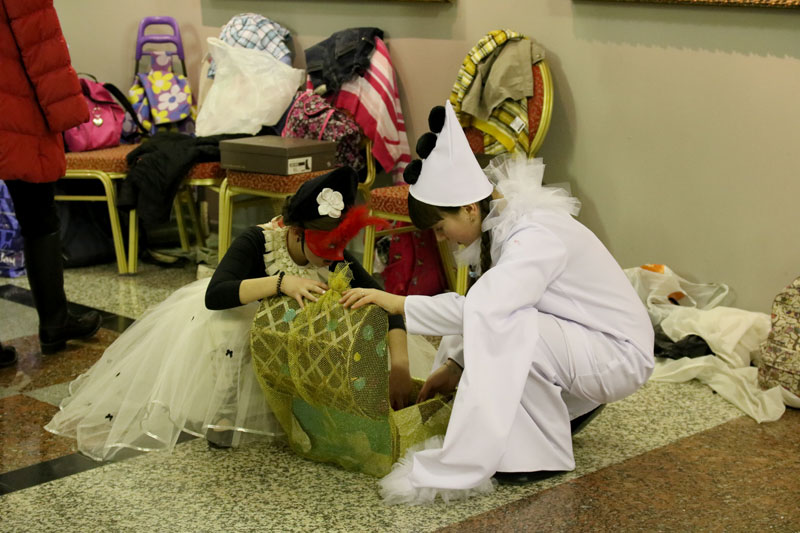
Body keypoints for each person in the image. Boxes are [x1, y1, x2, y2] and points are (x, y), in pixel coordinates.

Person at [340, 101, 655, 503]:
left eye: (441, 227)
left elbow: (487, 310)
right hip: (586, 341)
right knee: (494, 319)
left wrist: (398, 304)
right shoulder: (506, 225)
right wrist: (455, 365)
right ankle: (549, 416)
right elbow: (484, 302)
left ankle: (537, 454)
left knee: (510, 326)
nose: (441, 238)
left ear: (470, 209)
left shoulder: (533, 236)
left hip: (617, 355)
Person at [46, 167, 433, 460]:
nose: (329, 259)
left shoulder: (334, 257)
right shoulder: (258, 241)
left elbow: (385, 304)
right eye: (322, 249)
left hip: (294, 341)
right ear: (295, 231)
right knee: (230, 325)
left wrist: (399, 365)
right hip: (244, 323)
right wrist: (281, 283)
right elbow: (216, 295)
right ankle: (228, 407)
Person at [0, 0, 102, 363]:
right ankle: (55, 322)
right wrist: (66, 113)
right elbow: (40, 42)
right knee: (39, 218)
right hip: (17, 103)